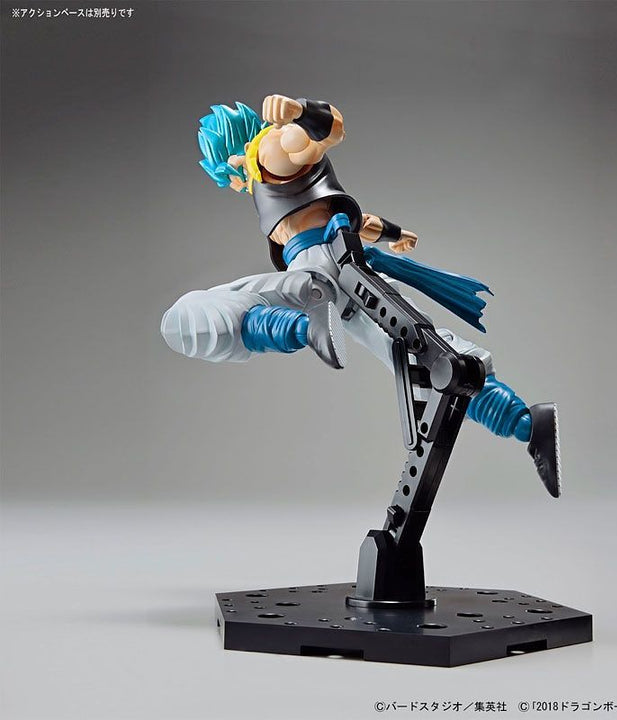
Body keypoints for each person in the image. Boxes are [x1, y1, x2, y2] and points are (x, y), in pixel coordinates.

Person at [161, 95, 561, 497]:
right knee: (422, 359)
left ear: (229, 155)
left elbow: (326, 134)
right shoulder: (270, 174)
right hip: (341, 267)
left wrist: (299, 112)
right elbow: (357, 219)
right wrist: (393, 233)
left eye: (224, 173)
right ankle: (525, 424)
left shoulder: (267, 152)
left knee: (198, 314)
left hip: (320, 268)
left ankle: (304, 326)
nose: (232, 183)